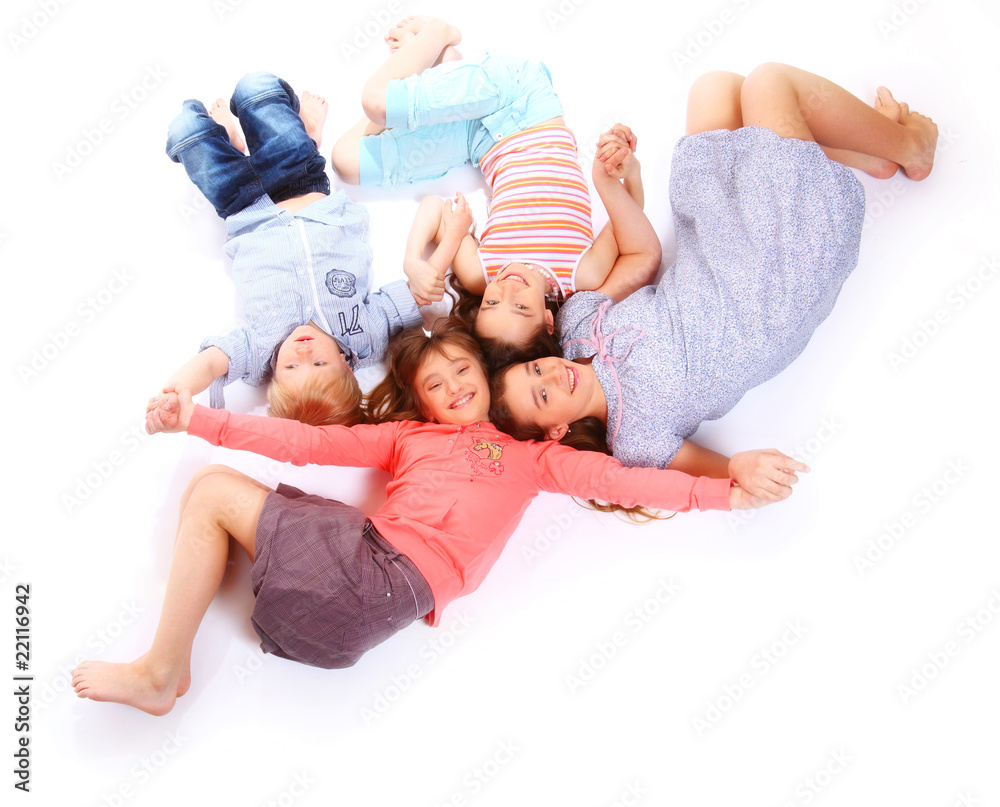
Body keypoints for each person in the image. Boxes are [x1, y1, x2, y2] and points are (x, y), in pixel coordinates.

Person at [72, 318, 781, 717]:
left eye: (463, 370)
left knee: (211, 492)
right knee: (211, 489)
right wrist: (196, 418)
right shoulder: (406, 438)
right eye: (435, 386)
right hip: (358, 581)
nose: (454, 387)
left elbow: (624, 481)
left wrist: (727, 488)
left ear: (488, 371)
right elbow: (308, 444)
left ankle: (162, 671)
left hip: (377, 592)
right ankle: (163, 668)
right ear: (423, 404)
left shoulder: (535, 458)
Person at [489, 63, 938, 497]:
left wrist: (614, 184)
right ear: (556, 430)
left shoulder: (576, 330)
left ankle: (866, 153)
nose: (549, 373)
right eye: (542, 394)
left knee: (715, 88)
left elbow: (642, 258)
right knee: (769, 82)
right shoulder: (634, 438)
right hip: (773, 286)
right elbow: (712, 475)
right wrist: (738, 469)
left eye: (534, 369)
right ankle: (910, 147)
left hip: (718, 248)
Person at [329, 16, 661, 361]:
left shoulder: (480, 274)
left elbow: (437, 209)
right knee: (378, 103)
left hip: (479, 142)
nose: (507, 286)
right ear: (549, 321)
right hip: (522, 105)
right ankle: (438, 42)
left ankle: (440, 69)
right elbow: (630, 217)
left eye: (491, 303)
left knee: (346, 161)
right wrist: (626, 167)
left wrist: (415, 261)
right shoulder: (581, 272)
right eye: (520, 306)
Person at [161, 71, 425, 426]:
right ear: (347, 365)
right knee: (255, 88)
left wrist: (178, 388)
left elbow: (211, 362)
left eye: (290, 366)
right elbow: (412, 300)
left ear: (274, 374)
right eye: (319, 363)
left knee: (185, 132)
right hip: (300, 183)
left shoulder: (258, 352)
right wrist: (428, 280)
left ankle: (230, 141)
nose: (303, 352)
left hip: (243, 206)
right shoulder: (365, 336)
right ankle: (306, 132)